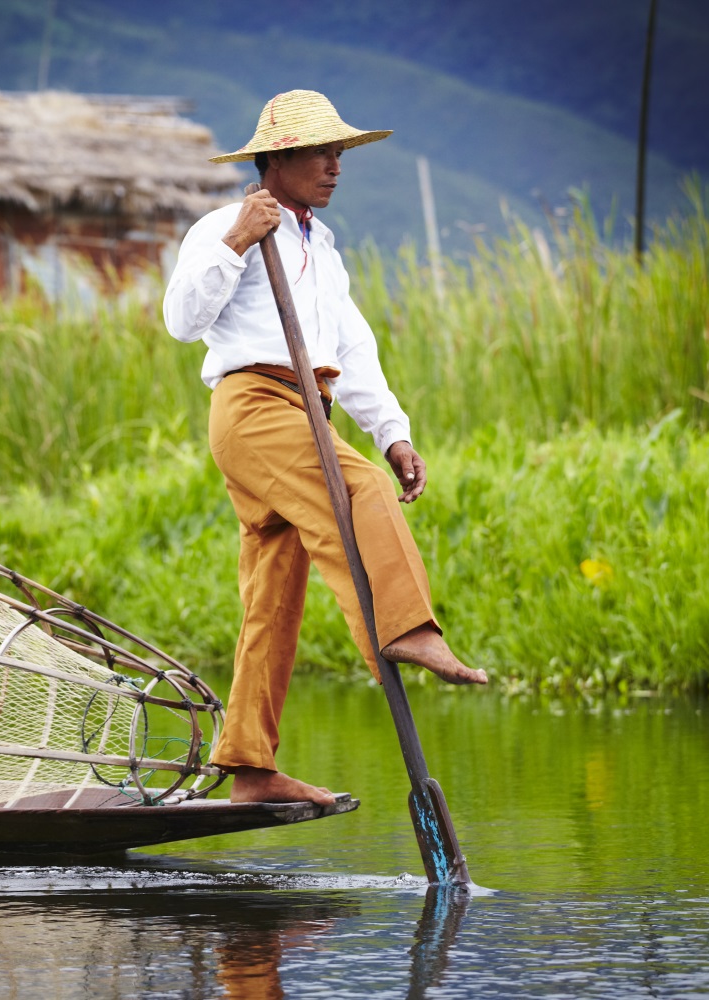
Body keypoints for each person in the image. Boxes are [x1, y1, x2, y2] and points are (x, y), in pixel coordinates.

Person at [163, 90, 487, 807]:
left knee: (274, 591)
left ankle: (249, 766)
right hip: (254, 408)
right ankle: (406, 629)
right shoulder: (226, 225)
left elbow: (353, 353)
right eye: (320, 153)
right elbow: (183, 321)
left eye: (340, 153)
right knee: (359, 491)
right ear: (275, 161)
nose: (335, 166)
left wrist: (394, 432)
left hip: (311, 407)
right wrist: (236, 241)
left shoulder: (323, 250)